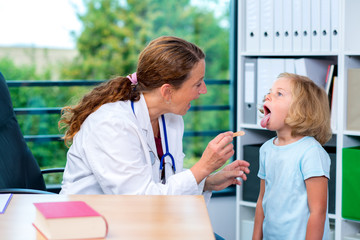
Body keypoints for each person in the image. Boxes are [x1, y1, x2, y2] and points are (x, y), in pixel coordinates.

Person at [59, 36, 250, 202]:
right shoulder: (111, 125)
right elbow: (139, 201)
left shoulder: (170, 119)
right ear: (167, 91)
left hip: (142, 223)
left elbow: (164, 185)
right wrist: (203, 167)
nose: (204, 90)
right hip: (90, 225)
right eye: (197, 84)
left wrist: (207, 182)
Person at [252, 73, 332, 240]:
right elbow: (262, 200)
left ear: (301, 109)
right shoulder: (266, 149)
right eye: (269, 92)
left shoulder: (311, 152)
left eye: (279, 93)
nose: (268, 96)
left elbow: (318, 212)